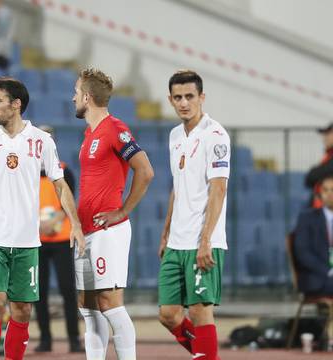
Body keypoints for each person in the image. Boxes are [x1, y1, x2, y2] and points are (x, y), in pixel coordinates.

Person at [0, 77, 85, 360]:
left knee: (23, 311)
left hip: (27, 244)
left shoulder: (41, 141)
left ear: (16, 105)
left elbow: (60, 184)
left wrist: (74, 222)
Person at [72, 68, 153, 360]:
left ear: (86, 97)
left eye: (76, 92)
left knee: (109, 302)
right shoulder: (89, 132)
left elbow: (145, 171)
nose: (72, 98)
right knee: (87, 306)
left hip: (108, 233)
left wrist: (121, 211)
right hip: (85, 232)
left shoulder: (115, 128)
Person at [157, 70, 230, 360]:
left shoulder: (216, 135)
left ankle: (205, 354)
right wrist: (165, 234)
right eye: (178, 97)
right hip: (177, 241)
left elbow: (219, 189)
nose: (184, 103)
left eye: (189, 96)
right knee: (168, 314)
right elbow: (178, 188)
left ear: (202, 97)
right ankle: (206, 354)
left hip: (204, 240)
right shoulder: (175, 135)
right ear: (170, 100)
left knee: (200, 312)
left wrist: (206, 240)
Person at [34, 125, 82, 353]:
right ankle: (45, 339)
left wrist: (55, 221)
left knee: (67, 290)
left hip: (62, 239)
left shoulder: (64, 171)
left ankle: (74, 339)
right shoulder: (29, 171)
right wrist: (38, 224)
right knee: (38, 292)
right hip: (36, 240)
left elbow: (69, 200)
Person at [293, 175, 333, 296]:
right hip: (317, 277)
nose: (330, 193)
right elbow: (302, 253)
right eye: (325, 190)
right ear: (319, 194)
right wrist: (328, 270)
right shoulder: (307, 218)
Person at [305, 122, 333, 208]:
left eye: (328, 134)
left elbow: (312, 176)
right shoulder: (328, 156)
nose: (324, 138)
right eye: (324, 134)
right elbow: (309, 179)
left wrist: (315, 172)